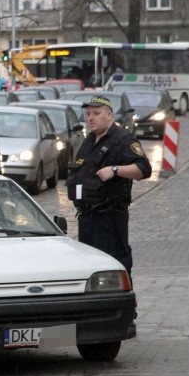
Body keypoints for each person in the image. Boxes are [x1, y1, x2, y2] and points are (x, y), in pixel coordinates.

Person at [66, 95, 151, 278]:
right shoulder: (89, 140)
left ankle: (122, 305)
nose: (91, 118)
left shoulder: (123, 140)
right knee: (91, 268)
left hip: (109, 217)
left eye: (96, 113)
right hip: (87, 218)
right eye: (88, 114)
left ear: (109, 115)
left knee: (114, 266)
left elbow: (144, 169)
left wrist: (115, 169)